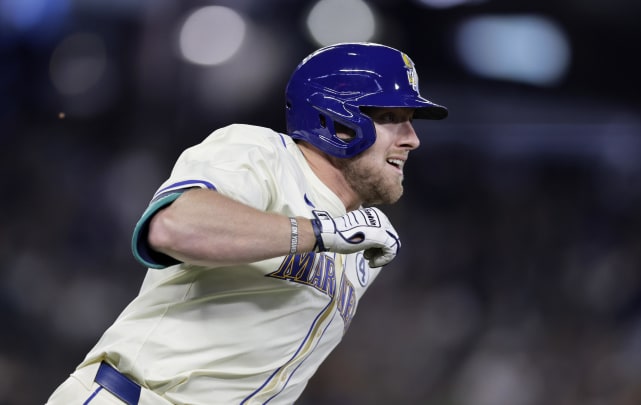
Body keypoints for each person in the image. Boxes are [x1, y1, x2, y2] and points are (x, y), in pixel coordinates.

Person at [45, 41, 447, 405]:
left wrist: (332, 234)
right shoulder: (262, 153)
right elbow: (172, 227)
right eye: (393, 117)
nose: (412, 138)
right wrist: (320, 232)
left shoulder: (360, 242)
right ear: (340, 120)